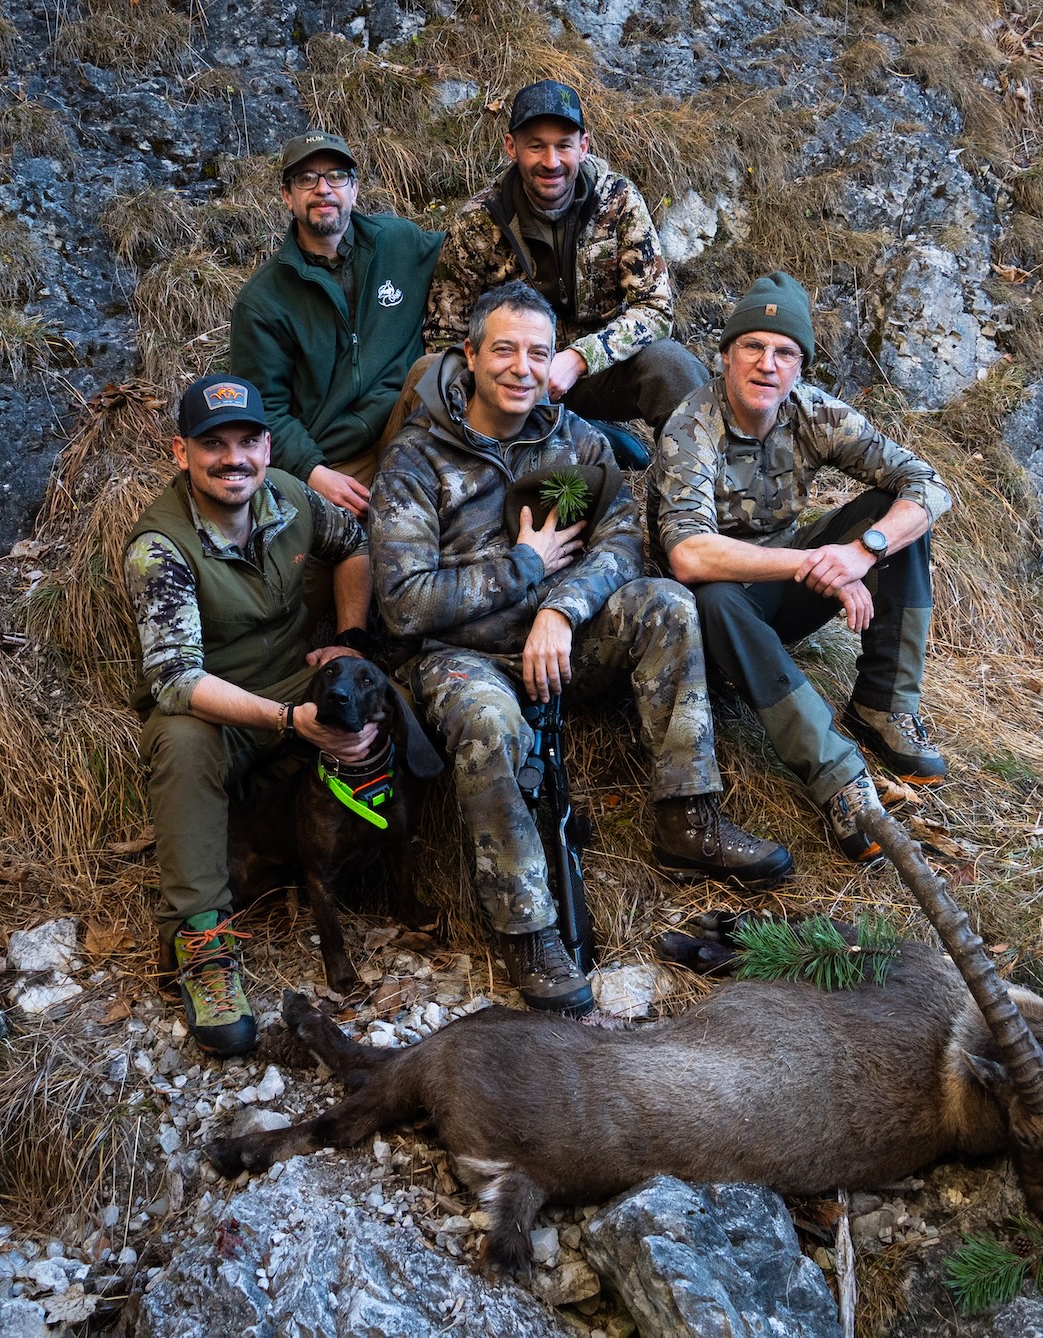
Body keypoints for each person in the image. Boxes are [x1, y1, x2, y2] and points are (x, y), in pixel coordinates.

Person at [370, 281, 790, 1015]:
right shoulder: (415, 460)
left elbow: (626, 541)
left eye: (538, 352)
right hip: (461, 658)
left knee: (665, 603)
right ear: (470, 356)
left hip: (562, 645)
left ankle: (687, 817)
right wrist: (524, 567)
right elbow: (404, 604)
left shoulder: (577, 437)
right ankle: (528, 931)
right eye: (503, 350)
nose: (522, 368)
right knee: (489, 721)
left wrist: (561, 610)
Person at [652, 273, 954, 864]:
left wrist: (861, 550)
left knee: (889, 517)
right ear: (725, 357)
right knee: (713, 596)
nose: (768, 364)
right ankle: (840, 780)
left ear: (800, 367)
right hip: (714, 617)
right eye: (753, 347)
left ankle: (884, 704)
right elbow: (688, 555)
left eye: (784, 352)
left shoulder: (813, 413)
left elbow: (928, 484)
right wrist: (816, 564)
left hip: (783, 592)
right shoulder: (691, 427)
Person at [125, 374, 379, 1056]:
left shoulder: (292, 497)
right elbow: (176, 680)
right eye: (213, 444)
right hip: (221, 707)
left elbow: (353, 542)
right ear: (181, 452)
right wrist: (291, 720)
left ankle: (391, 863)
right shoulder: (160, 548)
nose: (232, 458)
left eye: (246, 441)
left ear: (268, 447)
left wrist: (350, 640)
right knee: (180, 745)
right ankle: (204, 942)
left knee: (392, 694)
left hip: (295, 678)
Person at [421, 81, 702, 470]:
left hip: (594, 373)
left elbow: (654, 308)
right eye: (536, 145)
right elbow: (443, 332)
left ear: (583, 146)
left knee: (673, 367)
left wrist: (578, 358)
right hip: (508, 379)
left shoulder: (618, 201)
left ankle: (694, 502)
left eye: (564, 145)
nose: (551, 161)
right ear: (511, 147)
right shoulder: (479, 219)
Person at [229, 130, 446, 518]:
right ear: (287, 195)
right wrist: (314, 473)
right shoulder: (262, 301)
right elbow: (264, 411)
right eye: (307, 178)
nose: (323, 189)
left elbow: (474, 251)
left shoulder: (399, 242)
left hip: (410, 426)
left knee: (437, 369)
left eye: (336, 176)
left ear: (354, 188)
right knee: (346, 559)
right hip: (334, 461)